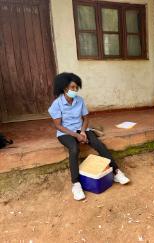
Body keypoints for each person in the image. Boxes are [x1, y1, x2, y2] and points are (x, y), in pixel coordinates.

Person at [48, 73, 130, 201]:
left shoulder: (79, 100)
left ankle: (116, 172)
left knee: (98, 144)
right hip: (66, 133)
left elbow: (86, 119)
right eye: (72, 88)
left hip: (81, 130)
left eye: (76, 88)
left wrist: (83, 132)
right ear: (64, 88)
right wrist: (76, 135)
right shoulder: (56, 104)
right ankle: (76, 184)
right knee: (74, 149)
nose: (75, 90)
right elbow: (58, 126)